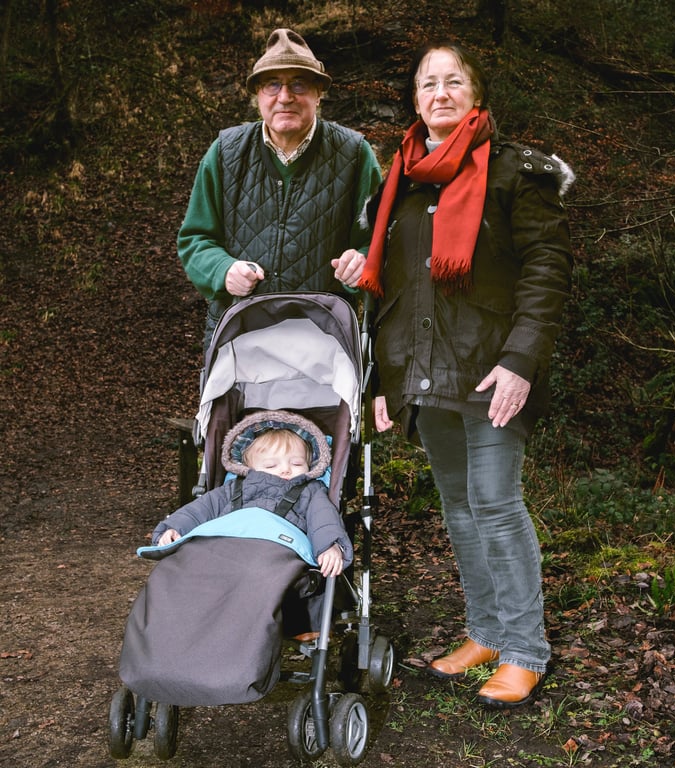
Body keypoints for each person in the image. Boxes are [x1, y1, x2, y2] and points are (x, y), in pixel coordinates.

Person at [357, 41, 575, 709]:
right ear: (416, 100)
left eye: (454, 81)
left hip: (491, 369)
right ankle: (486, 632)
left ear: (475, 95)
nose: (441, 93)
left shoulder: (515, 172)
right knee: (458, 506)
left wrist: (521, 361)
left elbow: (546, 272)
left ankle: (524, 650)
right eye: (429, 84)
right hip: (424, 371)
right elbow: (390, 289)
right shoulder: (400, 181)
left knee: (496, 503)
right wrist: (382, 380)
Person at [118, 409, 353, 706]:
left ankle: (235, 666)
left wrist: (330, 546)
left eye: (296, 463)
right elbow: (199, 510)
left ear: (310, 465)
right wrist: (174, 528)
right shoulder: (232, 489)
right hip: (217, 548)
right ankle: (158, 661)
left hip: (271, 550)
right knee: (170, 574)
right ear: (249, 466)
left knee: (256, 579)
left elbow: (324, 521)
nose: (285, 470)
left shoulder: (310, 491)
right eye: (272, 465)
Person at [177, 28, 383, 351]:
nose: (285, 96)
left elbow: (381, 241)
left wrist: (361, 261)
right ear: (258, 94)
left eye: (298, 84)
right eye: (272, 84)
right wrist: (222, 270)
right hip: (239, 344)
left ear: (318, 93)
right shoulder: (225, 152)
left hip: (324, 348)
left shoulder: (355, 154)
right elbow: (195, 239)